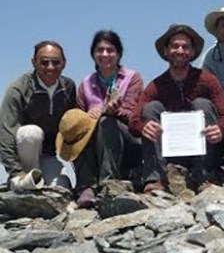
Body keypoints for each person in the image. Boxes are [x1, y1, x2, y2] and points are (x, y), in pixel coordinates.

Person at [129, 24, 224, 194]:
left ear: (192, 52)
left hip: (204, 152)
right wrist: (143, 127)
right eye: (175, 46)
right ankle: (155, 179)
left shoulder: (208, 80)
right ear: (166, 51)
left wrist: (220, 130)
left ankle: (204, 177)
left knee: (203, 104)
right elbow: (133, 120)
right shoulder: (156, 85)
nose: (180, 50)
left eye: (185, 47)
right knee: (150, 108)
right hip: (170, 153)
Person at [56, 30, 143, 207]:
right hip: (94, 144)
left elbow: (134, 113)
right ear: (93, 54)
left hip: (126, 139)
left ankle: (108, 183)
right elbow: (79, 112)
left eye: (110, 50)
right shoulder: (86, 83)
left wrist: (111, 112)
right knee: (78, 126)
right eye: (100, 50)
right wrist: (87, 117)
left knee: (106, 122)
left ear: (118, 54)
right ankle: (85, 185)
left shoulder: (132, 78)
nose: (105, 55)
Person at [0, 40, 76, 191]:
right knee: (31, 133)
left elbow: (73, 129)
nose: (50, 67)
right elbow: (5, 132)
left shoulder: (69, 87)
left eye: (55, 62)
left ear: (64, 63)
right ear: (34, 62)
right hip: (23, 154)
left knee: (62, 189)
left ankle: (32, 182)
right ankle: (20, 179)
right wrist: (15, 171)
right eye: (44, 62)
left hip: (48, 155)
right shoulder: (19, 88)